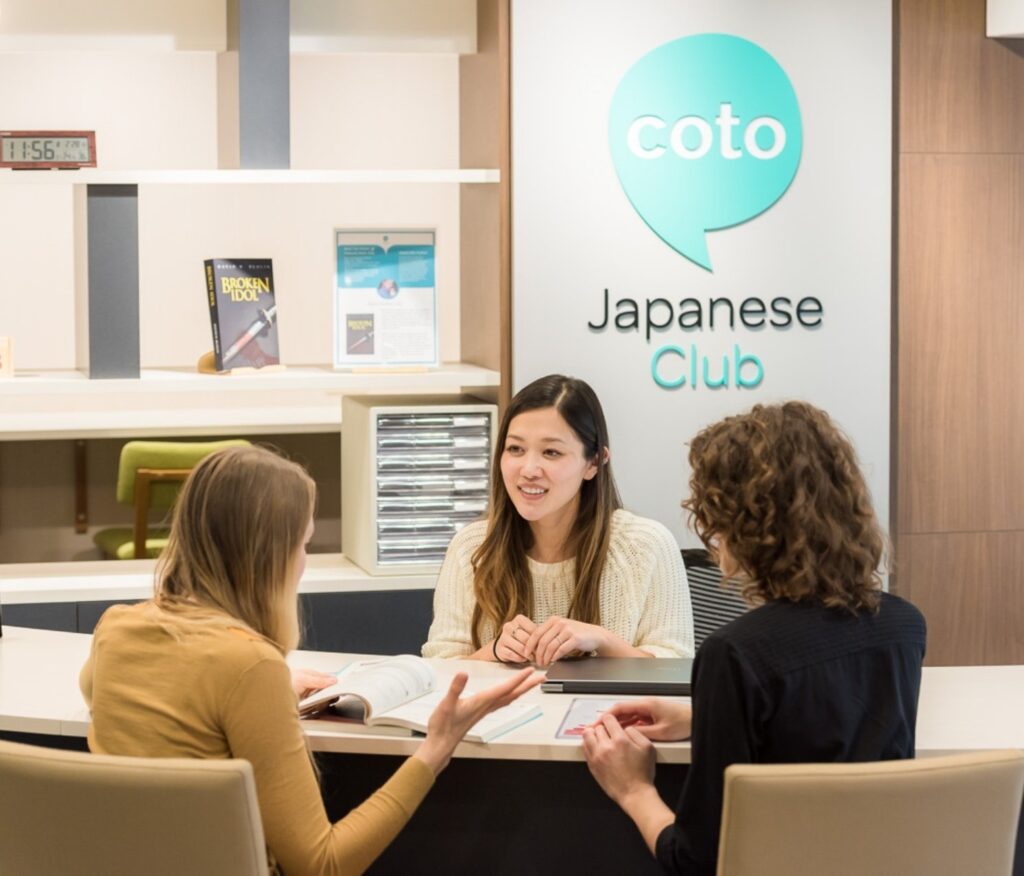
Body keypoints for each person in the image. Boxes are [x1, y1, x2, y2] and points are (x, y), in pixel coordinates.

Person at [80, 445, 542, 876]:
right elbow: (323, 865)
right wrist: (436, 748)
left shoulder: (117, 628)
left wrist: (263, 691)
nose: (303, 562)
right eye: (303, 545)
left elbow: (131, 691)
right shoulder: (249, 666)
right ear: (268, 557)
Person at [582, 401, 927, 875]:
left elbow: (698, 861)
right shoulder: (904, 626)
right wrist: (704, 717)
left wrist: (633, 789)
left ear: (738, 524)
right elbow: (829, 726)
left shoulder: (736, 654)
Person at [423, 374, 693, 665]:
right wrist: (495, 651)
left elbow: (676, 669)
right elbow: (440, 668)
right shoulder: (471, 547)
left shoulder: (647, 545)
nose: (529, 469)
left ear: (594, 462)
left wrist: (602, 640)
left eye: (551, 452)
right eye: (515, 449)